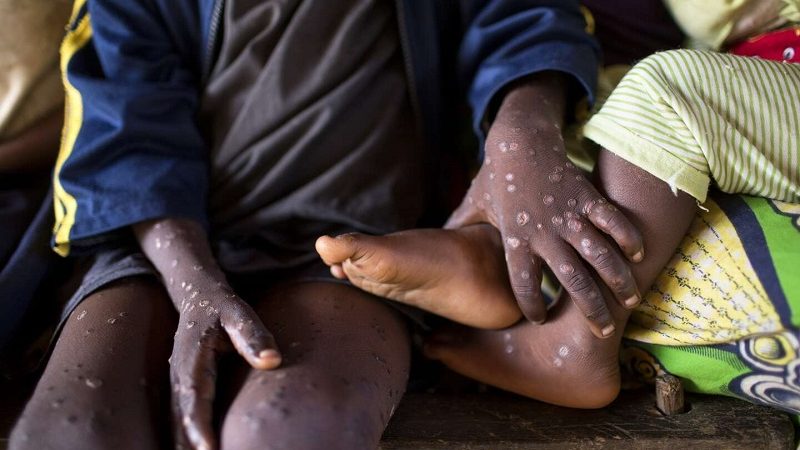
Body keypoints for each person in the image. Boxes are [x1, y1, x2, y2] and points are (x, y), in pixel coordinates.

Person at [10, 1, 603, 449]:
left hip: (360, 245)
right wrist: (193, 286)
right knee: (75, 429)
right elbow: (121, 116)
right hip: (160, 239)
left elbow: (527, 16)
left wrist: (521, 133)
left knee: (287, 429)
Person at [316, 0, 800, 414]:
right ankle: (493, 256)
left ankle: (576, 343)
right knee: (602, 121)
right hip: (762, 76)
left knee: (668, 92)